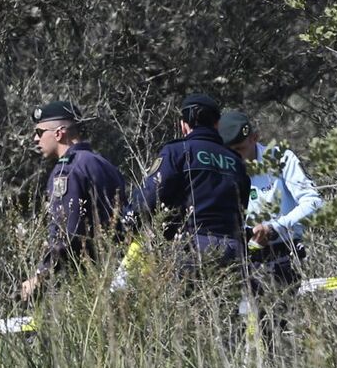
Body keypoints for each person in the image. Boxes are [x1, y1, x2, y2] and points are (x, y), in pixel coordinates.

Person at [126, 94, 251, 272]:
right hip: (232, 251)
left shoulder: (178, 152)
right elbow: (242, 210)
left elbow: (151, 196)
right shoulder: (236, 162)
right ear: (217, 125)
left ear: (183, 125)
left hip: (191, 248)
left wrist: (127, 218)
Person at [21, 100, 127, 301]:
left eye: (40, 132)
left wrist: (40, 276)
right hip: (117, 270)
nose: (35, 139)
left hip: (88, 281)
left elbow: (66, 232)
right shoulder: (102, 163)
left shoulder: (67, 169)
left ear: (59, 133)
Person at [218, 110, 323, 290]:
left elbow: (313, 201)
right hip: (244, 258)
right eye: (229, 151)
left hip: (288, 253)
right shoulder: (221, 170)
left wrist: (275, 228)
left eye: (239, 149)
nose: (235, 157)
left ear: (254, 138)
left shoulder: (281, 158)